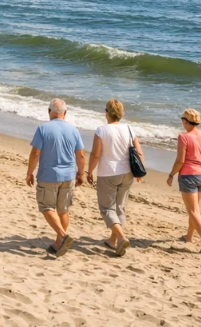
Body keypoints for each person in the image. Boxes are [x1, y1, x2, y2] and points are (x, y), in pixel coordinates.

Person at [26, 99, 86, 256]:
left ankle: (63, 236)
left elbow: (35, 153)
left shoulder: (43, 129)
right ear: (65, 113)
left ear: (48, 111)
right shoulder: (73, 130)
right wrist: (81, 173)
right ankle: (60, 242)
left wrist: (29, 172)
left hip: (49, 175)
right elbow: (80, 154)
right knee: (63, 210)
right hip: (68, 175)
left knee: (46, 207)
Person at [85, 99, 143, 257]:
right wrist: (140, 173)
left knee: (107, 209)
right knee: (120, 207)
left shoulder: (101, 130)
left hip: (108, 173)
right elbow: (139, 153)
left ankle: (122, 237)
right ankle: (113, 240)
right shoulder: (130, 129)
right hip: (128, 173)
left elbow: (96, 154)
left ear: (106, 113)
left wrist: (89, 171)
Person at [167, 108, 201, 255]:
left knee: (193, 211)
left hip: (189, 176)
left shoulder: (183, 137)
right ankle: (189, 237)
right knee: (195, 209)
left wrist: (171, 174)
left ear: (185, 121)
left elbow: (180, 161)